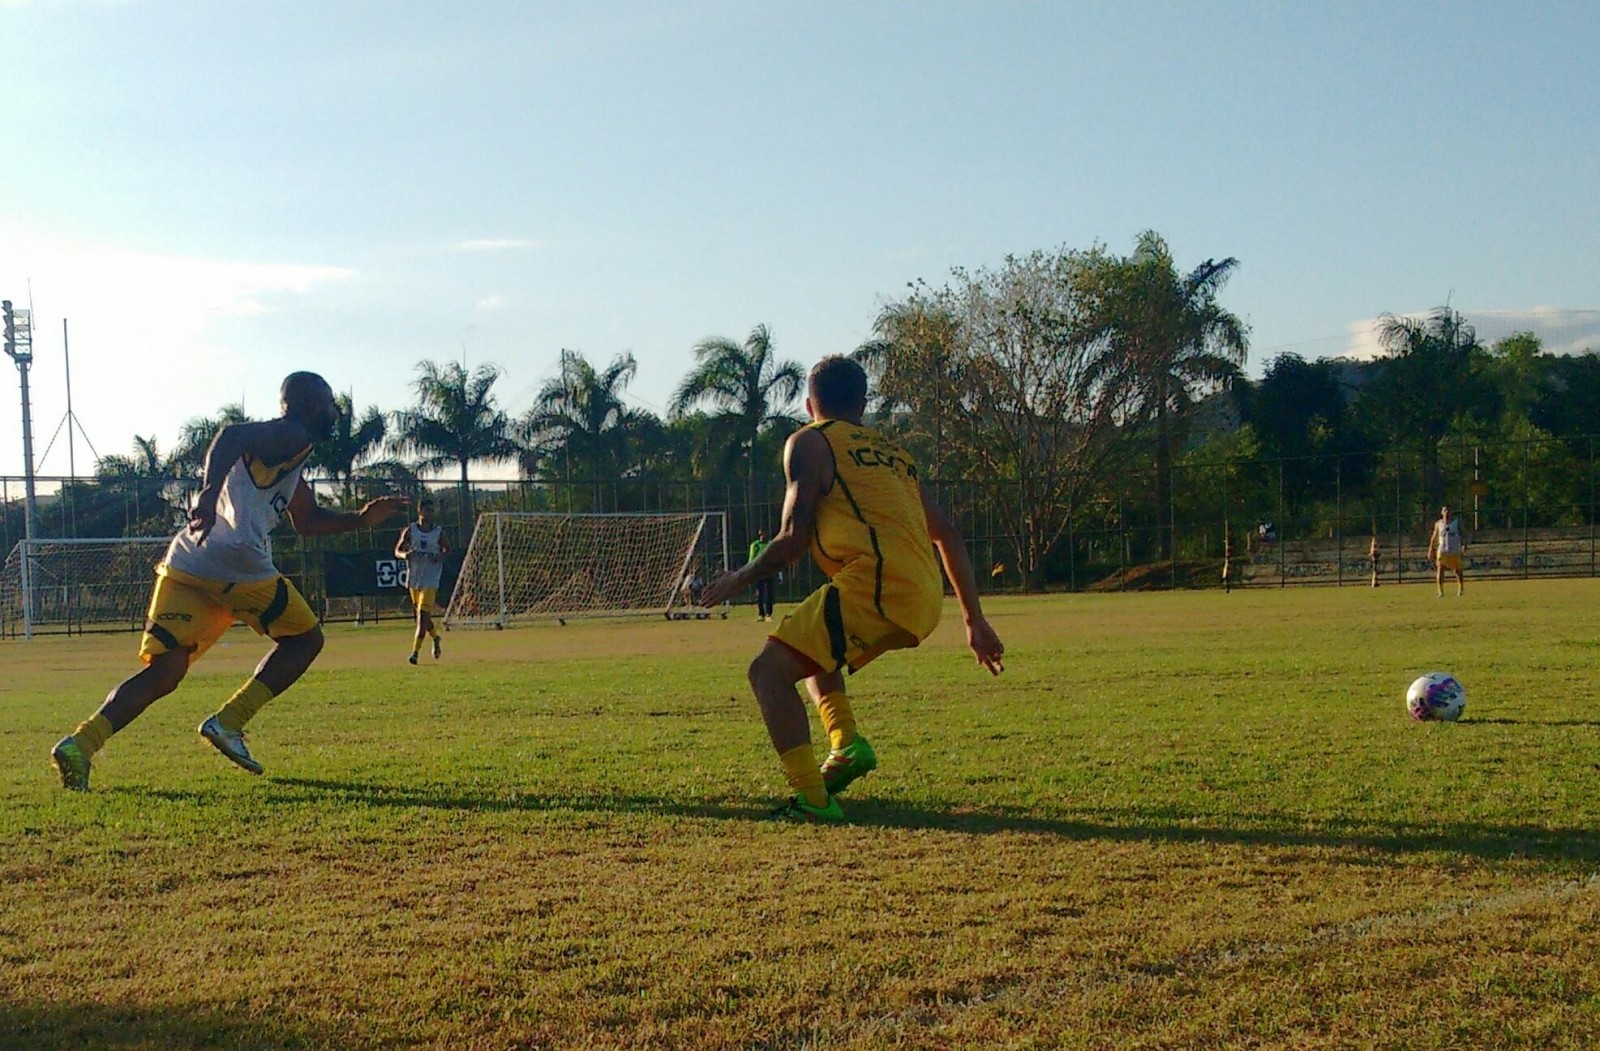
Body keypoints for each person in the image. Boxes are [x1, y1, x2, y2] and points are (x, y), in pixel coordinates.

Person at [49, 372, 406, 791]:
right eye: (329, 402)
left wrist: (360, 519)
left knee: (165, 673)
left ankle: (80, 745)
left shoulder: (288, 456)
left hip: (189, 559)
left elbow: (307, 521)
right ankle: (229, 722)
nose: (335, 411)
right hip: (236, 562)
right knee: (306, 640)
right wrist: (207, 492)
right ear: (310, 405)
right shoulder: (294, 434)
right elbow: (230, 435)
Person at [700, 355, 1004, 822]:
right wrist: (974, 620)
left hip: (877, 582)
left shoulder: (810, 442)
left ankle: (813, 800)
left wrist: (736, 579)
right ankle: (846, 745)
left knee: (768, 672)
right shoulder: (896, 457)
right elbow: (948, 534)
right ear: (864, 404)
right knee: (808, 648)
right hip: (922, 593)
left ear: (808, 404)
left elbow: (791, 539)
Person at [395, 496, 449, 664]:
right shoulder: (411, 530)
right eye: (427, 510)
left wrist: (439, 556)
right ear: (420, 512)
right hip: (414, 579)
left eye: (433, 511)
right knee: (423, 618)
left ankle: (415, 653)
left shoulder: (439, 532)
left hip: (431, 579)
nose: (431, 513)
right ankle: (436, 638)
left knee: (421, 617)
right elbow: (397, 550)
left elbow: (447, 549)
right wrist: (405, 555)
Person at [1428, 505, 1465, 597]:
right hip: (1442, 551)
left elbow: (1463, 533)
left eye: (1448, 510)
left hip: (1454, 551)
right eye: (1445, 510)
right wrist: (1431, 549)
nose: (1447, 512)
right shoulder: (1438, 524)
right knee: (1440, 569)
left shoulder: (1456, 522)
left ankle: (1461, 589)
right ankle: (1440, 592)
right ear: (1441, 512)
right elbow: (1434, 538)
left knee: (1457, 571)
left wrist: (1464, 544)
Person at [748, 529, 775, 621]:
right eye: (761, 534)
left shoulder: (771, 544)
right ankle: (761, 614)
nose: (763, 536)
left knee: (769, 594)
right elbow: (751, 560)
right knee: (760, 594)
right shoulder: (755, 545)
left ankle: (768, 614)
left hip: (769, 572)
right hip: (759, 573)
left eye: (764, 533)